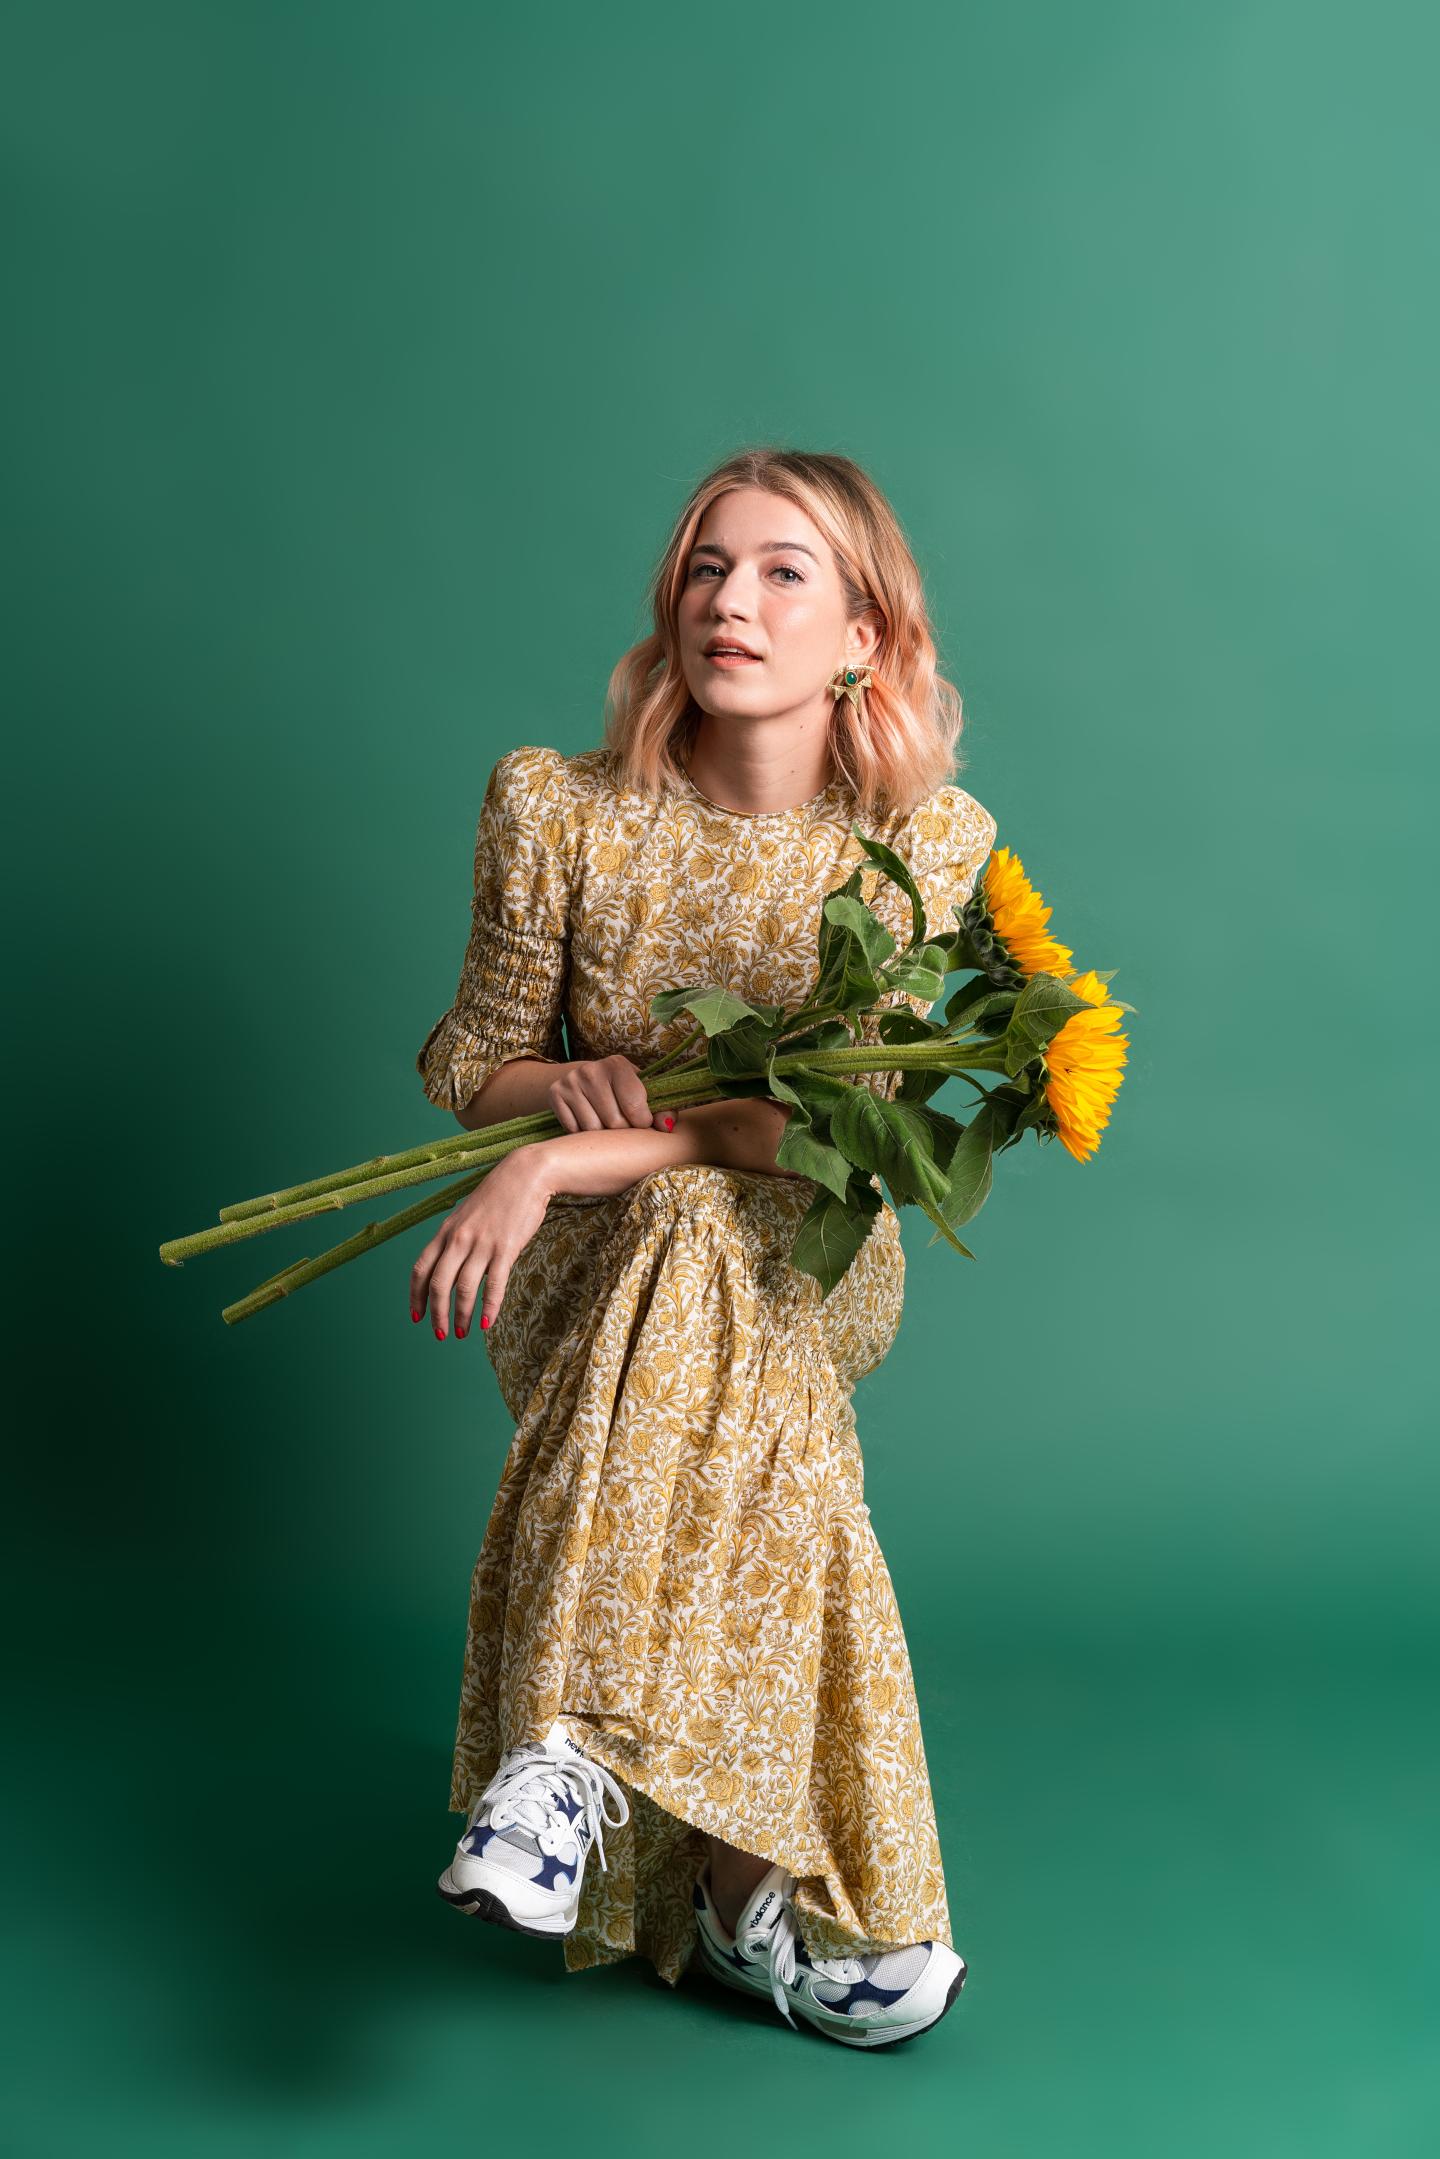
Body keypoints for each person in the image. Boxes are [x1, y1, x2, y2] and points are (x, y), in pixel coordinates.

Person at [408, 448, 998, 2048]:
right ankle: (760, 1913)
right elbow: (469, 1061)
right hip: (593, 1290)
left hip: (808, 1248)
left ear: (868, 634)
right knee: (770, 1438)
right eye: (704, 569)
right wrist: (544, 1100)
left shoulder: (922, 848)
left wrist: (561, 1159)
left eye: (784, 571)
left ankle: (568, 1755)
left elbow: (820, 1140)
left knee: (699, 1225)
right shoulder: (557, 807)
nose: (731, 602)